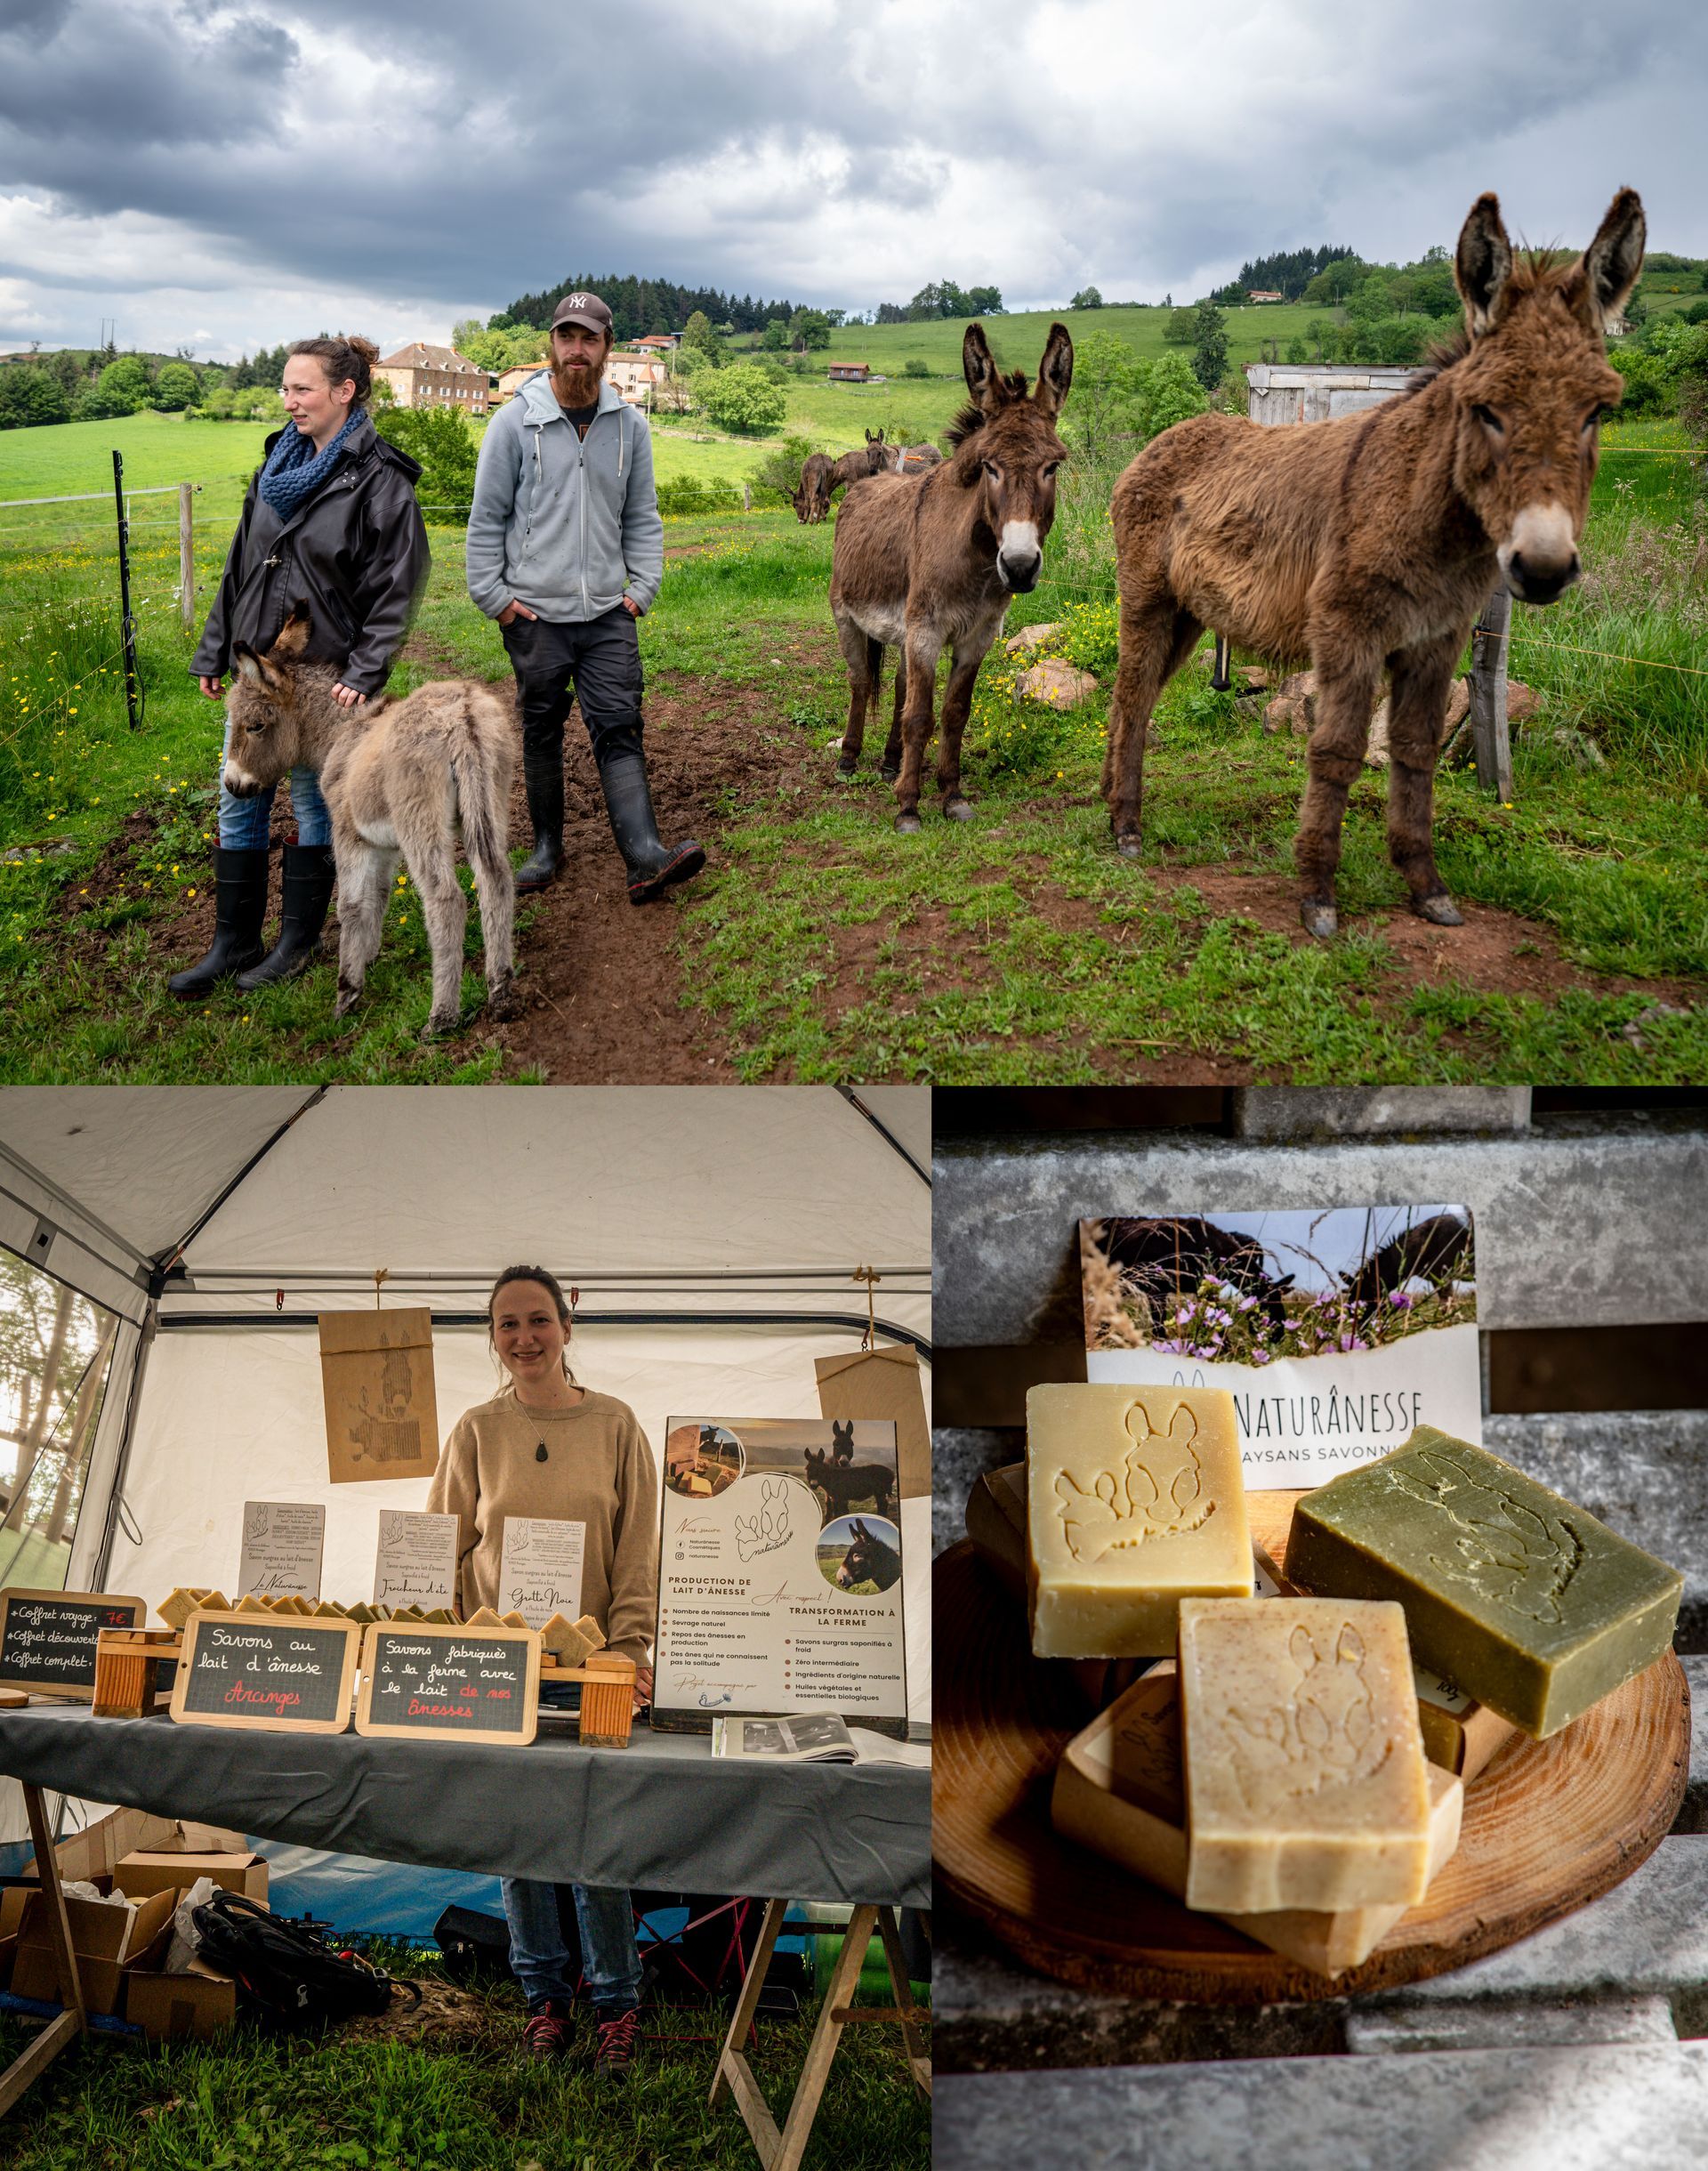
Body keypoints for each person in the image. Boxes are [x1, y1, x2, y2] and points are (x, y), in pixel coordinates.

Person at [427, 1264, 658, 2071]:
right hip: (495, 1667)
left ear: (566, 1325)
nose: (524, 1338)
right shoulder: (475, 1430)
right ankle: (544, 2001)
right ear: (493, 1340)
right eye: (506, 1325)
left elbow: (638, 1554)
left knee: (597, 1833)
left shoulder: (619, 1425)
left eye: (537, 1320)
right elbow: (439, 1549)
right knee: (521, 1832)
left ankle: (617, 2005)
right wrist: (448, 1642)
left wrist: (629, 1652)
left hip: (593, 1673)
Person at [173, 335, 430, 997]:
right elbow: (239, 567)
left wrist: (366, 671)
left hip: (326, 682)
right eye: (285, 388)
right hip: (259, 675)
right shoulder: (275, 467)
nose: (289, 402)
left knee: (316, 806)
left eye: (302, 389)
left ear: (345, 392)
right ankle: (233, 942)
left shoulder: (380, 479)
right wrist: (214, 648)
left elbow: (398, 588)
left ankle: (297, 940)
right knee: (238, 799)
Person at [465, 291, 704, 903]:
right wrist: (494, 597)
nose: (577, 349)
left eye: (589, 339)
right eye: (566, 337)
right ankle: (547, 849)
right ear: (552, 343)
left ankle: (645, 855)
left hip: (605, 614)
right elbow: (487, 518)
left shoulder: (630, 427)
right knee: (541, 727)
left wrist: (643, 587)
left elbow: (642, 518)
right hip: (534, 614)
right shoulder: (513, 423)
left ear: (605, 347)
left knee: (619, 723)